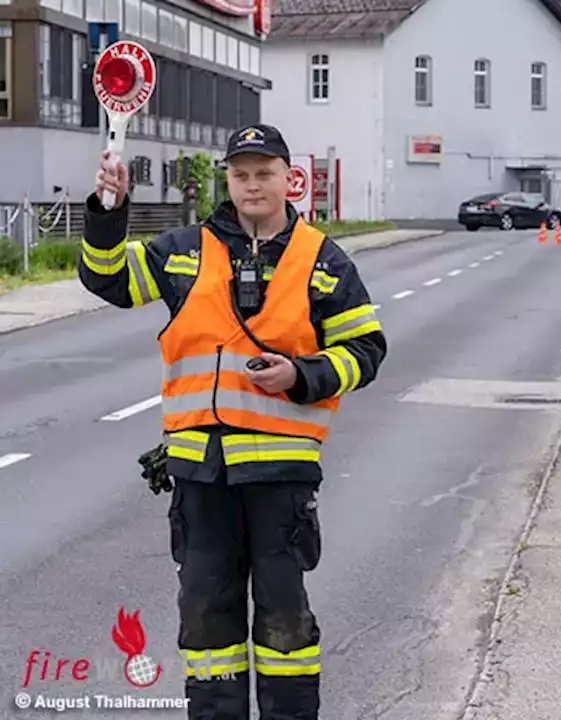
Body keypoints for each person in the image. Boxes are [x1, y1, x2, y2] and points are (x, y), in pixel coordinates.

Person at [79, 124, 386, 719]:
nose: (251, 184)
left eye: (264, 173)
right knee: (206, 620)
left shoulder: (322, 259)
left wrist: (302, 376)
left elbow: (366, 351)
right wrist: (107, 211)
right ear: (228, 178)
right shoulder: (186, 251)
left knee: (284, 624)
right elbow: (108, 278)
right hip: (201, 477)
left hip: (279, 476)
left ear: (288, 179)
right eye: (241, 173)